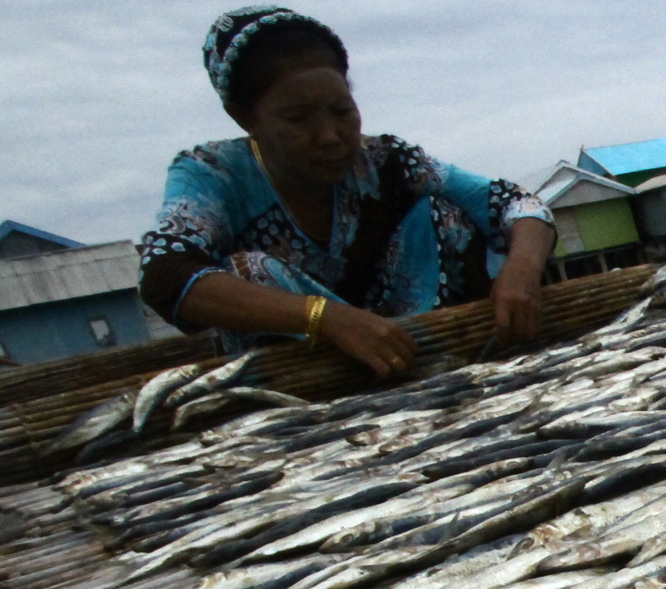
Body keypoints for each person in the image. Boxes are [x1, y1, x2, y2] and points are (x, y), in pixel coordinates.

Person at [139, 6, 556, 376]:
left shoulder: (384, 159)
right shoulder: (213, 174)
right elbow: (166, 274)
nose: (330, 136)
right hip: (304, 370)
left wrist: (520, 270)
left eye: (341, 111)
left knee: (444, 214)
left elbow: (516, 203)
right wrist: (327, 318)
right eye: (298, 118)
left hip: (413, 345)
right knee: (246, 269)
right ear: (245, 118)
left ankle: (459, 362)